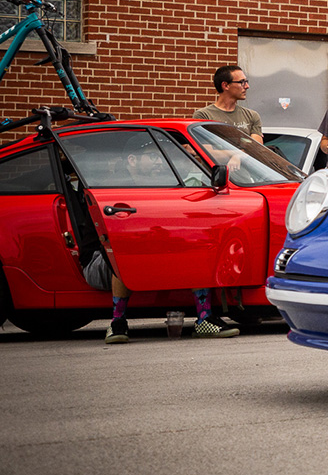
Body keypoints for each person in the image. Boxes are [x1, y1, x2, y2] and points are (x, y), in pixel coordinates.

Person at [94, 135, 239, 342]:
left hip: (159, 250)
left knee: (195, 245)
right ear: (132, 160)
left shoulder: (165, 183)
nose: (158, 161)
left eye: (159, 157)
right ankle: (117, 323)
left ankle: (205, 319)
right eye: (152, 156)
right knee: (125, 248)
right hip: (103, 260)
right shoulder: (112, 186)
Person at [193, 65, 264, 143]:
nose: (247, 86)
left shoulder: (252, 116)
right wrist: (243, 150)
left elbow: (257, 149)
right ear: (226, 85)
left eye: (246, 82)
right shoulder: (203, 115)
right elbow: (205, 149)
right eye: (242, 82)